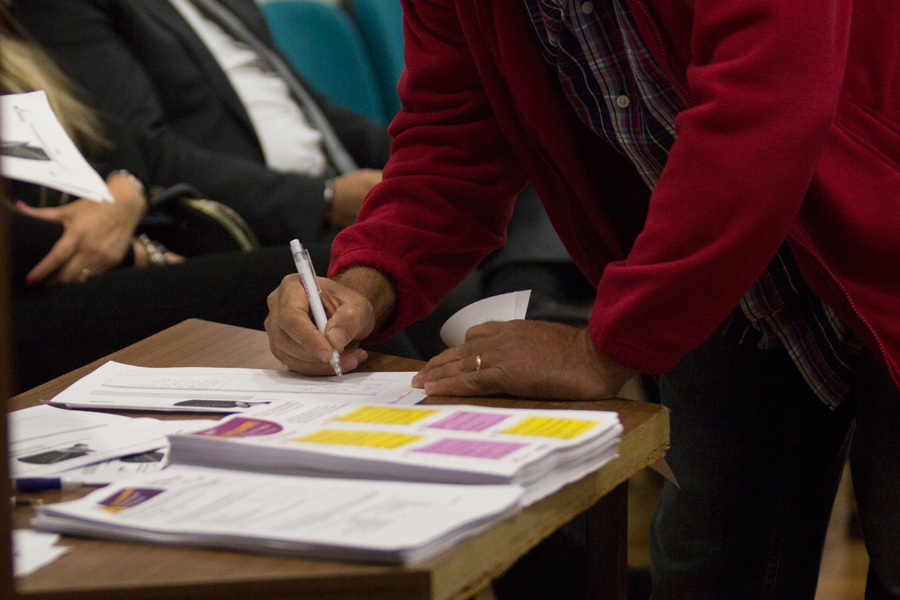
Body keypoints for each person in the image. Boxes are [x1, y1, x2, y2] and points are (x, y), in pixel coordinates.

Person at [264, 0, 900, 598]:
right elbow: (452, 141)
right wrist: (362, 285)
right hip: (718, 286)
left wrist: (606, 346)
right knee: (710, 574)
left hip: (876, 229)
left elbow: (765, 111)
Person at [0, 22, 323, 393]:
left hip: (90, 269)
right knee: (300, 281)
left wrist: (128, 188)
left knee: (329, 274)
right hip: (31, 297)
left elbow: (123, 136)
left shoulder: (19, 46)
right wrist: (134, 253)